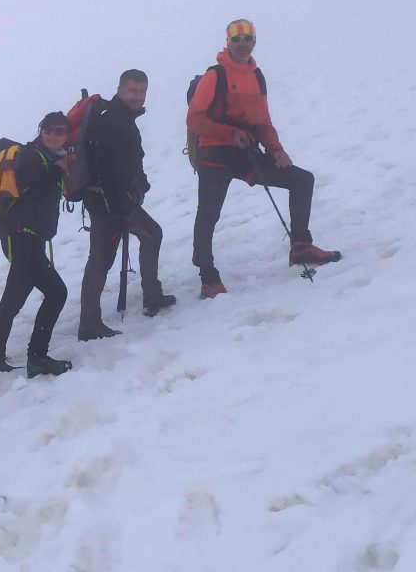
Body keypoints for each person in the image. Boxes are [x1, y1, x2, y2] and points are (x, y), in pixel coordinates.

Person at [188, 19, 341, 296]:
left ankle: (301, 247)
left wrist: (276, 150)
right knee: (209, 214)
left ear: (255, 42)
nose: (243, 43)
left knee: (302, 180)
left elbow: (262, 120)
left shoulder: (257, 77)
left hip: (245, 152)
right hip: (214, 154)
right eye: (237, 39)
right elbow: (195, 119)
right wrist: (230, 132)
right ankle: (207, 274)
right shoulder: (215, 75)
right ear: (228, 43)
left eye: (248, 38)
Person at [78, 69, 176, 339]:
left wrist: (140, 182)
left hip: (111, 199)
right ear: (120, 89)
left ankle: (148, 297)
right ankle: (90, 323)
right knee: (103, 258)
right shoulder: (113, 121)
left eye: (142, 91)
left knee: (110, 254)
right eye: (133, 91)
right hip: (108, 202)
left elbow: (129, 159)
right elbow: (106, 169)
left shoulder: (120, 117)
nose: (138, 97)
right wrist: (119, 209)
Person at [0, 112, 73, 379]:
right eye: (50, 130)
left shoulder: (45, 157)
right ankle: (37, 358)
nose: (55, 135)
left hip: (25, 239)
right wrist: (58, 170)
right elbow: (30, 194)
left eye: (61, 131)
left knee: (12, 300)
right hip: (23, 239)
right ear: (41, 130)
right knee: (57, 293)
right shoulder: (33, 158)